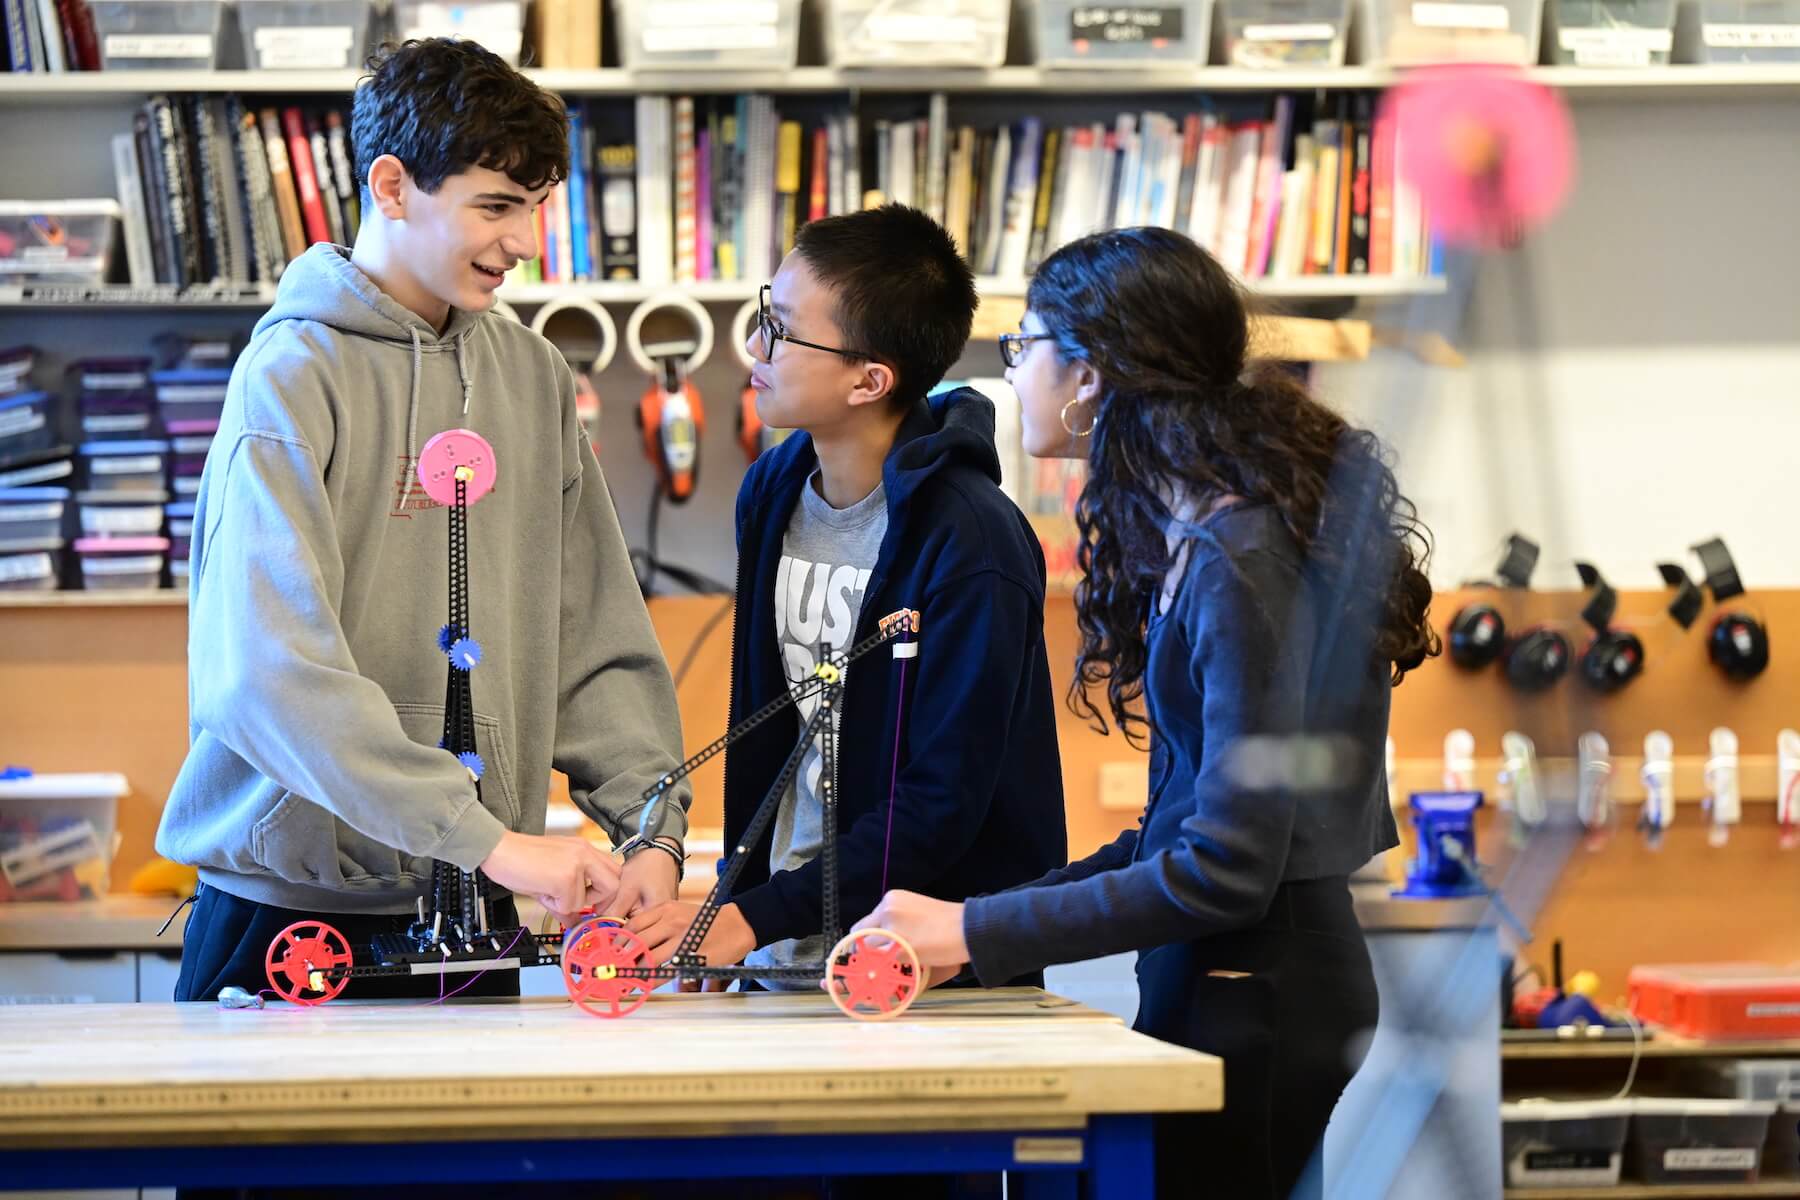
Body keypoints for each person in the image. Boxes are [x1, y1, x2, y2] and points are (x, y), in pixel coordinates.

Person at [851, 226, 1441, 1198]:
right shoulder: (1214, 535)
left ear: (1087, 374)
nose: (1015, 376)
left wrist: (975, 934)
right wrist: (975, 923)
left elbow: (1224, 872)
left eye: (1023, 346)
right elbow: (1175, 835)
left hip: (1261, 991)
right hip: (1243, 982)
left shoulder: (1233, 558)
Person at [157, 38, 690, 1004]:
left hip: (479, 910)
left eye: (534, 207)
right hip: (292, 919)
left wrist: (650, 826)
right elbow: (268, 672)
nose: (522, 241)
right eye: (494, 205)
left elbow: (595, 637)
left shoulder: (532, 378)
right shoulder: (291, 376)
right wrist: (491, 841)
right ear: (392, 185)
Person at [625, 205, 1067, 991]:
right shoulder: (774, 488)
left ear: (871, 379)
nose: (757, 347)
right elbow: (777, 741)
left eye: (785, 332)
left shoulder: (974, 544)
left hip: (923, 975)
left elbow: (940, 803)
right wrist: (738, 904)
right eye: (768, 314)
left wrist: (750, 917)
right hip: (783, 951)